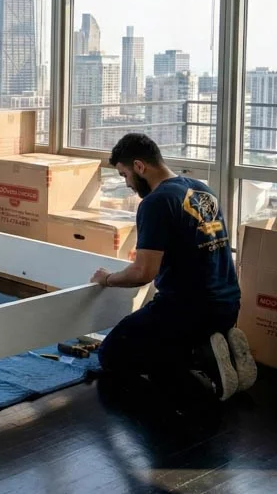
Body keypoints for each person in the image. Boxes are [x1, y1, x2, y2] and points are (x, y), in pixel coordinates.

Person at [89, 133, 257, 404]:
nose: (128, 184)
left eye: (125, 175)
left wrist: (107, 279)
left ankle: (202, 358)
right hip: (228, 306)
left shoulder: (156, 203)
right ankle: (216, 341)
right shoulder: (202, 189)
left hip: (187, 310)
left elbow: (143, 273)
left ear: (140, 166)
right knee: (155, 332)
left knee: (111, 355)